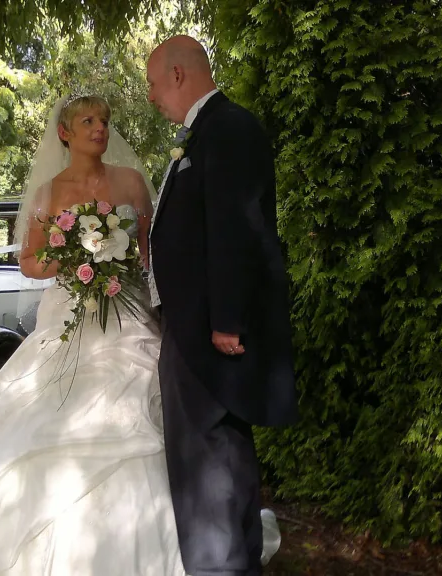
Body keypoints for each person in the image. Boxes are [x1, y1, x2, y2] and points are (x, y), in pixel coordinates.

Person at [0, 95, 185, 575]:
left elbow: (150, 251)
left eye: (104, 121)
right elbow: (29, 261)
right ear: (65, 132)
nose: (99, 128)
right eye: (88, 121)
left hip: (127, 316)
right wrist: (73, 258)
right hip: (69, 318)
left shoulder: (130, 183)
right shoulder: (48, 193)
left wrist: (149, 295)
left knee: (138, 406)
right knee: (54, 415)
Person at [146, 36, 300, 576]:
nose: (150, 95)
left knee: (208, 462)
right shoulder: (205, 133)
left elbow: (237, 226)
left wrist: (227, 319)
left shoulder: (229, 128)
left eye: (152, 81)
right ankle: (232, 565)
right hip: (192, 328)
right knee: (217, 455)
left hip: (207, 330)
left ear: (180, 73)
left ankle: (221, 568)